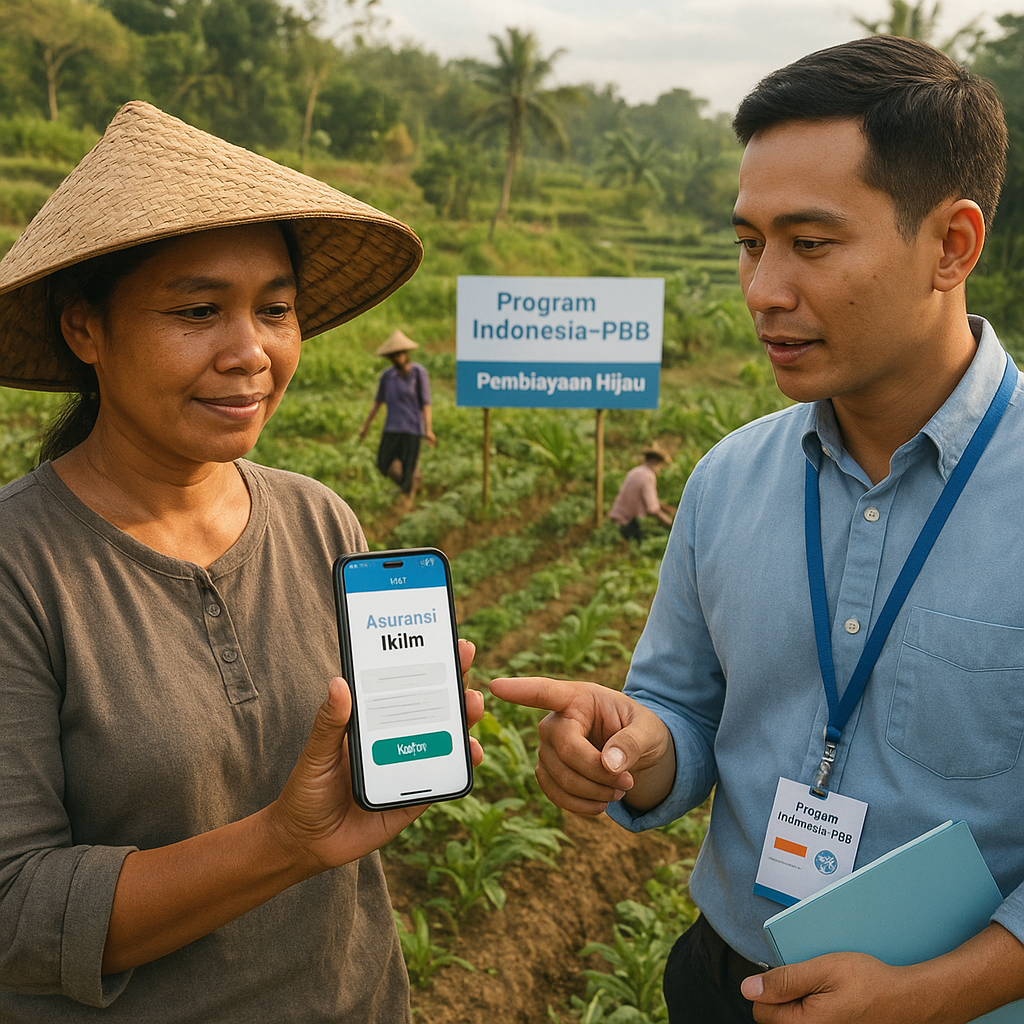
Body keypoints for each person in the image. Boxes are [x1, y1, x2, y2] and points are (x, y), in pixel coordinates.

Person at [491, 36, 1024, 1024]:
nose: (761, 290)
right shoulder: (727, 478)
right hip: (729, 981)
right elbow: (685, 714)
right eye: (749, 241)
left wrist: (925, 994)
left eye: (810, 244)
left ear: (952, 244)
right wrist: (633, 744)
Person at [0, 100, 484, 1023]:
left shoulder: (318, 520)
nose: (251, 352)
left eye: (276, 309)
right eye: (197, 310)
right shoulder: (20, 568)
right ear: (84, 331)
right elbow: (16, 911)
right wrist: (284, 843)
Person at [359, 328, 435, 500]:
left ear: (406, 354)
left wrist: (428, 430)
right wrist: (366, 426)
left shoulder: (418, 373)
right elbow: (378, 403)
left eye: (399, 354)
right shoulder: (387, 376)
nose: (396, 358)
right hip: (392, 426)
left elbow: (426, 404)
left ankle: (406, 498)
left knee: (408, 467)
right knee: (383, 463)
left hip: (413, 428)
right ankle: (411, 483)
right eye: (393, 355)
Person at [607, 444, 675, 542]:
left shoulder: (636, 471)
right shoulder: (648, 476)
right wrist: (671, 525)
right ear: (655, 462)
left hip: (616, 520)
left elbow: (652, 500)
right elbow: (653, 509)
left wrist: (670, 510)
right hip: (626, 524)